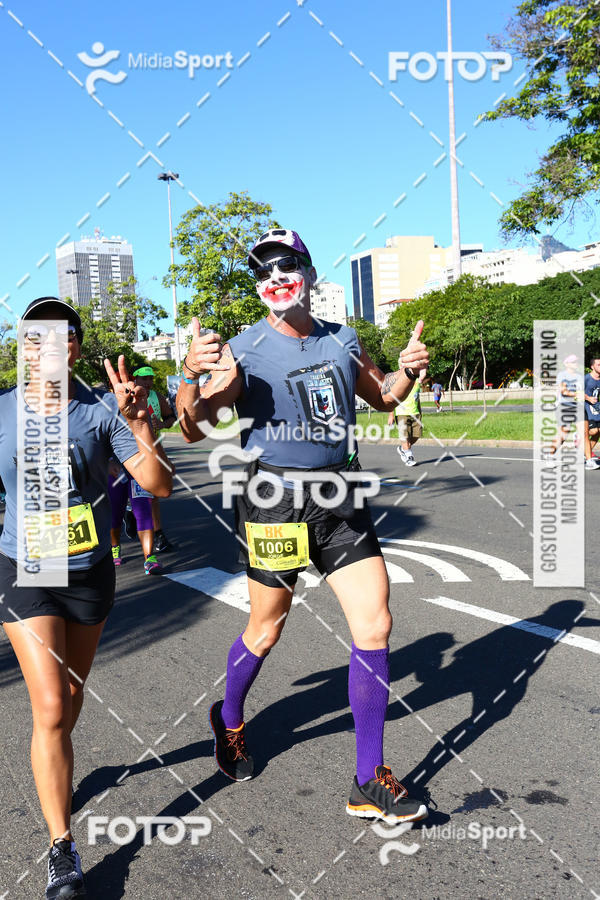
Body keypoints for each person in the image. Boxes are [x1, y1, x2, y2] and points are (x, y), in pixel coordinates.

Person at [177, 228, 430, 824]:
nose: (275, 277)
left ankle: (368, 780)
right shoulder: (244, 348)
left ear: (310, 273)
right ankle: (230, 718)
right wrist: (191, 375)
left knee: (376, 622)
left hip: (341, 494)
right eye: (263, 271)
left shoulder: (344, 339)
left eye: (287, 264)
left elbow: (386, 399)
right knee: (266, 630)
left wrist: (410, 371)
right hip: (274, 501)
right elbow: (194, 427)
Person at [0, 297, 172, 899]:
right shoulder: (2, 413)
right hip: (26, 566)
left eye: (62, 335)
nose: (49, 346)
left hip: (90, 568)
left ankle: (60, 764)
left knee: (70, 698)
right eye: (35, 336)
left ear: (74, 347)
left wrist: (141, 419)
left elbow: (159, 484)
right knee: (48, 706)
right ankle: (62, 848)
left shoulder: (101, 412)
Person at [132, 366, 176, 552]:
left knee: (152, 494)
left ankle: (158, 534)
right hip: (131, 452)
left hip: (153, 450)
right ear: (134, 380)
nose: (148, 382)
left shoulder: (156, 397)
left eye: (150, 378)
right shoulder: (127, 397)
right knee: (136, 494)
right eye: (144, 379)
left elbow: (171, 417)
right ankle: (129, 517)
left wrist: (162, 424)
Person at [107, 459, 162, 572]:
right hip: (116, 468)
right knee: (115, 513)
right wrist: (108, 461)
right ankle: (115, 546)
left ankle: (149, 558)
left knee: (143, 511)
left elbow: (152, 442)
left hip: (139, 467)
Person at [548, 354, 585, 462]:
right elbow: (564, 391)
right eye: (573, 362)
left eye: (577, 361)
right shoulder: (562, 375)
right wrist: (577, 395)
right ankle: (550, 455)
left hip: (577, 406)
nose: (576, 364)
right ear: (566, 364)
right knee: (563, 434)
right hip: (564, 407)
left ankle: (578, 441)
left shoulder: (579, 376)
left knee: (584, 432)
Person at [389, 368, 426, 467]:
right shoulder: (399, 380)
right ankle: (409, 457)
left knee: (416, 435)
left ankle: (403, 449)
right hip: (401, 413)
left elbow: (417, 398)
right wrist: (391, 414)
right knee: (404, 436)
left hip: (415, 412)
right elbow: (393, 398)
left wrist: (420, 412)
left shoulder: (417, 381)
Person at [584, 355, 600, 470]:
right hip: (586, 409)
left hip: (597, 409)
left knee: (598, 432)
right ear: (592, 366)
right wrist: (588, 398)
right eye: (598, 364)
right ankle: (580, 437)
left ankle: (584, 452)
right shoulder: (586, 378)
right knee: (593, 431)